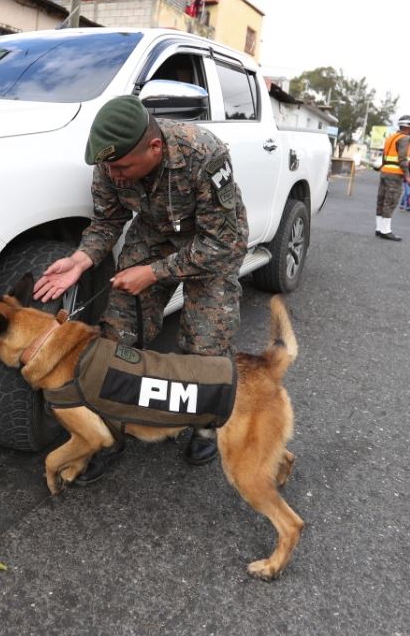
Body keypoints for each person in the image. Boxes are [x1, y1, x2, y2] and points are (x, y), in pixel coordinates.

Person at [34, 95, 249, 480]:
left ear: (154, 147)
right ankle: (112, 431)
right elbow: (106, 223)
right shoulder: (108, 165)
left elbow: (220, 243)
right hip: (153, 236)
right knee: (118, 338)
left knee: (205, 344)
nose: (114, 175)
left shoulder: (203, 152)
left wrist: (153, 273)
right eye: (109, 167)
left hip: (210, 243)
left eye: (121, 167)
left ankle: (205, 423)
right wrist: (81, 260)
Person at [375, 116, 410, 240]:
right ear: (408, 126)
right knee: (391, 201)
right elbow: (402, 159)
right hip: (395, 174)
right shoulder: (405, 138)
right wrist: (407, 176)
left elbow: (384, 156)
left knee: (381, 200)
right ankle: (386, 231)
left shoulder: (391, 137)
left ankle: (379, 228)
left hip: (385, 172)